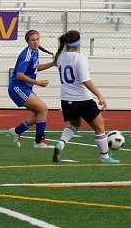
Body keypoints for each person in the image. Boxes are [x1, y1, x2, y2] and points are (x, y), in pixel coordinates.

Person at [51, 30, 120, 164]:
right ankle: (105, 156)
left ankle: (61, 144)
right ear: (79, 44)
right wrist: (100, 96)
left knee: (75, 124)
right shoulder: (80, 58)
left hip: (66, 99)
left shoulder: (60, 57)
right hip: (82, 99)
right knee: (99, 128)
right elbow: (85, 80)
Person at [7, 29, 55, 148]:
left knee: (40, 112)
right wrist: (37, 82)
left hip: (24, 87)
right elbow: (20, 75)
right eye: (32, 40)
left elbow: (35, 67)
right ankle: (38, 141)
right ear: (28, 42)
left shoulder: (35, 52)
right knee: (43, 109)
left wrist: (53, 64)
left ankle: (16, 131)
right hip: (17, 88)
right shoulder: (26, 54)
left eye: (37, 39)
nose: (36, 42)